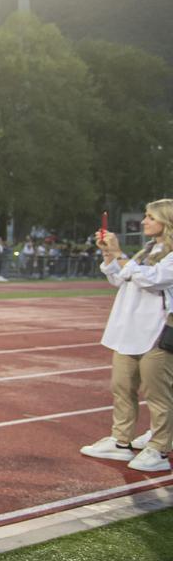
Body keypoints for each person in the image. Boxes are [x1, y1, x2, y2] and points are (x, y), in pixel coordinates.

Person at [81, 199, 173, 472]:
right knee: (122, 387)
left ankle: (159, 447)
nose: (143, 222)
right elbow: (119, 278)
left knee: (158, 394)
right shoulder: (147, 251)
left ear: (166, 221)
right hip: (129, 330)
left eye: (149, 217)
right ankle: (121, 440)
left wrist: (120, 254)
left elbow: (153, 279)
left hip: (156, 332)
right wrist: (110, 255)